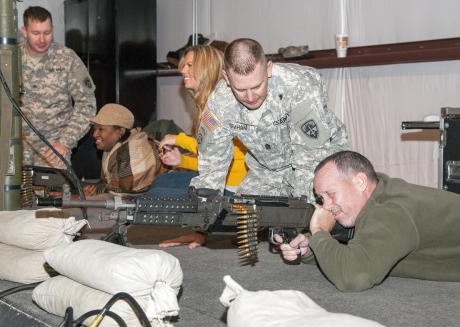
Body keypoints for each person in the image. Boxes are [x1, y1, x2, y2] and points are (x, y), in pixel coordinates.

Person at [190, 38, 349, 200]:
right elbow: (211, 160)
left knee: (319, 213)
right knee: (243, 214)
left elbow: (312, 157)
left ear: (269, 69)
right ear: (226, 78)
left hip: (324, 163)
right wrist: (204, 202)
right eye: (241, 89)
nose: (250, 97)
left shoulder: (298, 85)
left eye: (257, 86)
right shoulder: (220, 102)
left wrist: (313, 204)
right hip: (267, 172)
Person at [278, 150, 460, 292]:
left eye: (330, 194)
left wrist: (319, 232)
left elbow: (353, 276)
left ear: (360, 182)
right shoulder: (380, 193)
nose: (326, 206)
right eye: (321, 197)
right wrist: (312, 248)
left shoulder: (391, 212)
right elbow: (359, 249)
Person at [153, 45, 249, 249]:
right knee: (165, 181)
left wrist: (177, 139)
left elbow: (219, 149)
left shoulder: (224, 103)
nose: (182, 70)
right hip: (223, 180)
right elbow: (214, 159)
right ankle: (205, 229)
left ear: (207, 68)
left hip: (237, 190)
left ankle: (229, 225)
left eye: (189, 65)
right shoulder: (206, 102)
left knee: (159, 194)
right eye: (183, 65)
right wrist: (183, 161)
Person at [0, 6, 96, 169]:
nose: (42, 39)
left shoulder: (67, 58)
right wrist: (6, 134)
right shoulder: (6, 58)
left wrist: (65, 142)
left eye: (47, 33)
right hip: (15, 143)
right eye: (36, 33)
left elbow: (87, 104)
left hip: (52, 147)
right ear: (24, 31)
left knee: (50, 191)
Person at [84, 103, 166, 197]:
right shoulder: (114, 148)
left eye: (101, 129)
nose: (95, 134)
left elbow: (126, 192)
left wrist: (97, 193)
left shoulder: (134, 151)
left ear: (121, 131)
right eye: (95, 129)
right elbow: (111, 184)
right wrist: (95, 191)